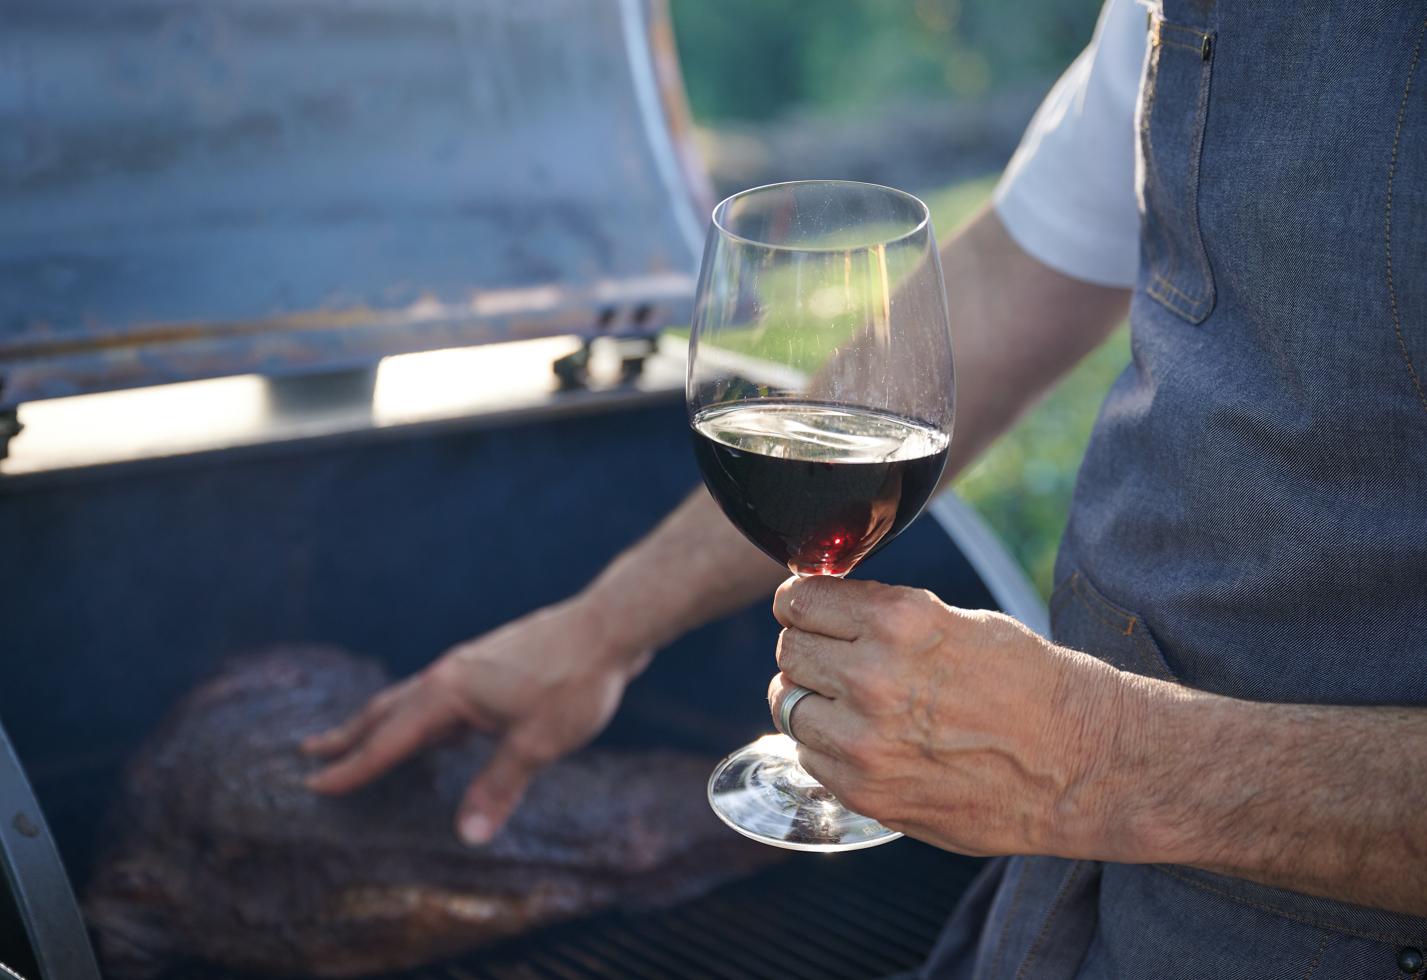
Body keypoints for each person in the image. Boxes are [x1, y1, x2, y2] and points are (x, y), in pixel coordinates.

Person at [305, 0, 1427, 973]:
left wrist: (1102, 755)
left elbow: (1101, 759)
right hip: (1080, 899)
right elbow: (1013, 277)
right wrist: (600, 629)